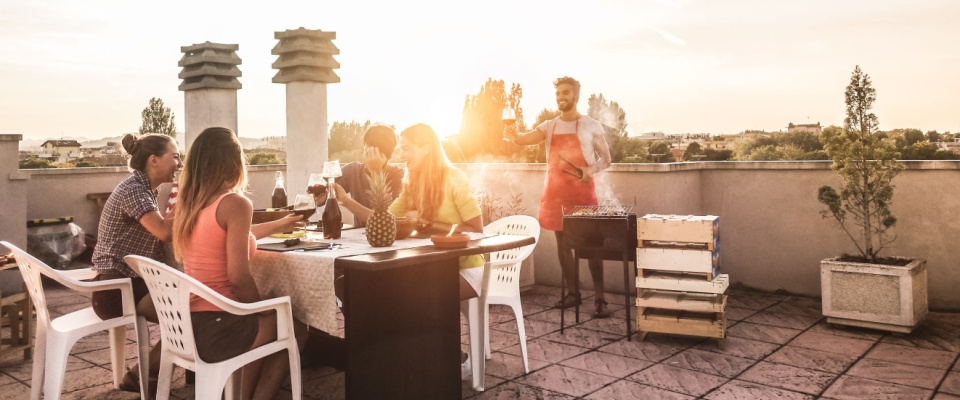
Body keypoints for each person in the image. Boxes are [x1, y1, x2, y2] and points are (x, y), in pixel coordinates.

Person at [172, 127, 306, 400]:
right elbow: (238, 278)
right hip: (220, 327)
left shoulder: (188, 206)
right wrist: (261, 309)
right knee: (296, 325)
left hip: (188, 325)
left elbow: (236, 238)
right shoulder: (235, 203)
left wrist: (281, 223)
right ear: (234, 162)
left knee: (264, 318)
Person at [504, 76, 613, 318]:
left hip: (583, 194)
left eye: (566, 93)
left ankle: (600, 297)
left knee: (592, 247)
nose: (561, 97)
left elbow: (606, 160)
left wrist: (588, 170)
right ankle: (573, 294)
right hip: (555, 194)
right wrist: (513, 134)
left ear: (575, 96)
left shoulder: (591, 125)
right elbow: (524, 139)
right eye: (558, 94)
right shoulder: (549, 126)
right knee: (563, 247)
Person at [387, 123, 484, 378]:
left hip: (466, 269)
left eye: (406, 149)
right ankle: (412, 357)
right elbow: (384, 219)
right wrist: (344, 200)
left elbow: (476, 228)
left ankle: (455, 359)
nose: (402, 155)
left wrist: (432, 225)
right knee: (384, 289)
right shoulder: (412, 183)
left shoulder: (454, 177)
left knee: (417, 295)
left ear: (426, 148)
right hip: (428, 268)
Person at [90, 132, 180, 392]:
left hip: (123, 284)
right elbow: (165, 232)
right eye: (174, 157)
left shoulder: (145, 189)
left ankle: (150, 374)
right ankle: (145, 374)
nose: (178, 162)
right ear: (154, 160)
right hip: (115, 290)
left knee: (191, 307)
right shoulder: (134, 190)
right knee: (193, 310)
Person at [308, 124, 403, 226]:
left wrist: (376, 172)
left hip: (386, 238)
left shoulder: (399, 176)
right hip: (357, 238)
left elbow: (385, 222)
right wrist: (321, 198)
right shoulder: (353, 170)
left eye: (374, 152)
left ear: (388, 155)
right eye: (366, 148)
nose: (369, 155)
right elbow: (328, 192)